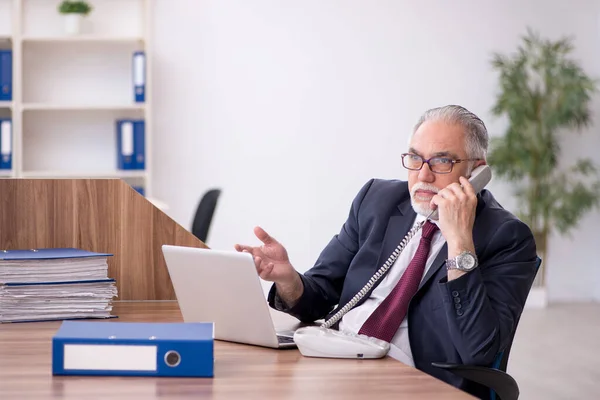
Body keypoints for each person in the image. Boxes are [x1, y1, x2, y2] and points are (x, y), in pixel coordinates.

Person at [235, 105, 538, 399]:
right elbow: (322, 294)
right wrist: (289, 280)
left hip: (415, 380)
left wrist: (459, 241)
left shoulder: (507, 237)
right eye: (415, 159)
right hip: (337, 358)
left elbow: (478, 350)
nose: (423, 175)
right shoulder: (377, 201)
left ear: (477, 171)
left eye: (442, 162)